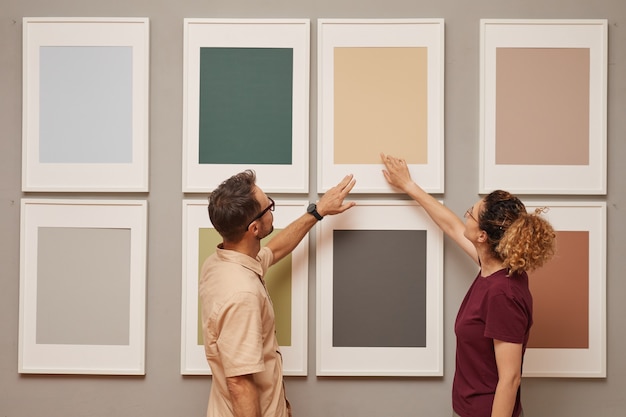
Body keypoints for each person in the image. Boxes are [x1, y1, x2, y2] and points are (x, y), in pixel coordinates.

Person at [380, 153, 556, 417]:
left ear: (483, 236)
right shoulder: (495, 268)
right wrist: (409, 186)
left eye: (470, 214)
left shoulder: (502, 293)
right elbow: (451, 225)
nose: (465, 215)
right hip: (467, 409)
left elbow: (510, 380)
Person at [199, 170, 356, 417]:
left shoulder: (221, 264)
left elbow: (275, 249)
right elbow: (239, 383)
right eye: (268, 206)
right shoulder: (243, 294)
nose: (272, 209)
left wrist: (318, 212)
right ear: (254, 228)